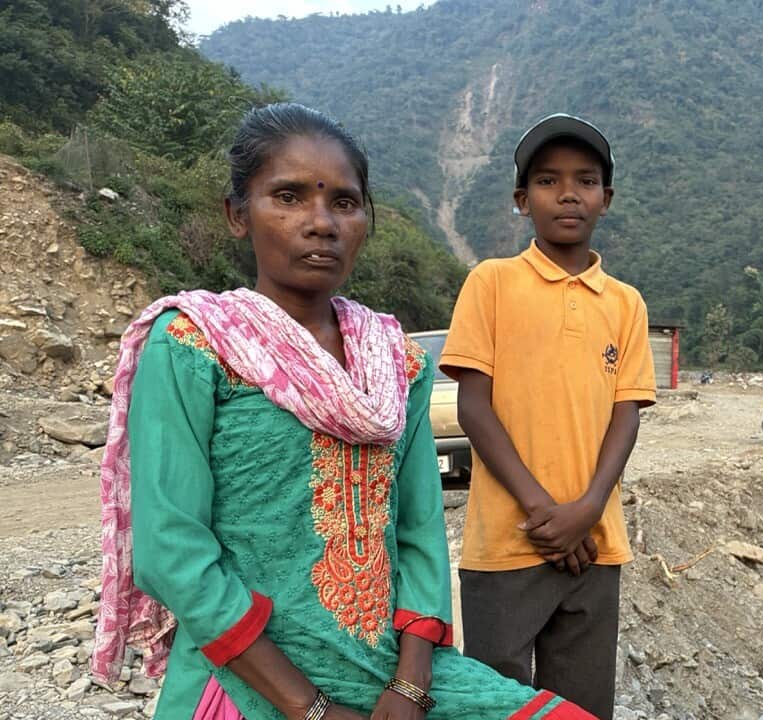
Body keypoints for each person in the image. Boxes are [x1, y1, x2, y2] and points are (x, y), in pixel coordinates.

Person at [91, 103, 595, 720]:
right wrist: (313, 710)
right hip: (251, 673)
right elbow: (172, 552)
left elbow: (417, 534)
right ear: (236, 214)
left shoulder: (397, 363)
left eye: (345, 203)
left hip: (392, 668)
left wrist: (410, 685)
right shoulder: (194, 345)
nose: (321, 222)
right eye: (289, 196)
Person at [439, 113, 656, 720]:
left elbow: (626, 414)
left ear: (605, 199)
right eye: (547, 180)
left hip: (596, 546)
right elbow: (473, 405)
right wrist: (542, 511)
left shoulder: (625, 304)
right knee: (498, 704)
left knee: (582, 706)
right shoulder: (492, 283)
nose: (567, 193)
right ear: (521, 199)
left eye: (585, 181)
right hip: (508, 544)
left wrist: (586, 509)